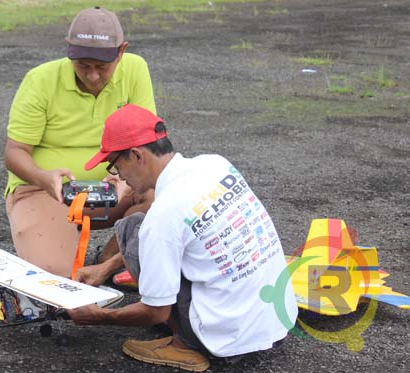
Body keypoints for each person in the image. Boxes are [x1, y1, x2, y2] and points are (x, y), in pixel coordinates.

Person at [67, 104, 298, 372]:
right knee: (142, 230)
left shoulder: (163, 216)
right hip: (276, 319)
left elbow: (156, 312)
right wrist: (106, 266)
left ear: (136, 155)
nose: (121, 178)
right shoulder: (215, 164)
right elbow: (174, 236)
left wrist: (100, 317)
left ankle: (186, 344)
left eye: (117, 167)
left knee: (132, 228)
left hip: (223, 341)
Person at [4, 6, 156, 278]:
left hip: (115, 190)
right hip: (48, 192)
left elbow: (147, 143)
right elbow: (15, 152)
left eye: (102, 67)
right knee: (53, 282)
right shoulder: (40, 81)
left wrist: (125, 180)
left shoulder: (135, 69)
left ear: (121, 51)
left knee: (164, 193)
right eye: (83, 65)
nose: (93, 75)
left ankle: (109, 259)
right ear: (69, 50)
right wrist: (43, 178)